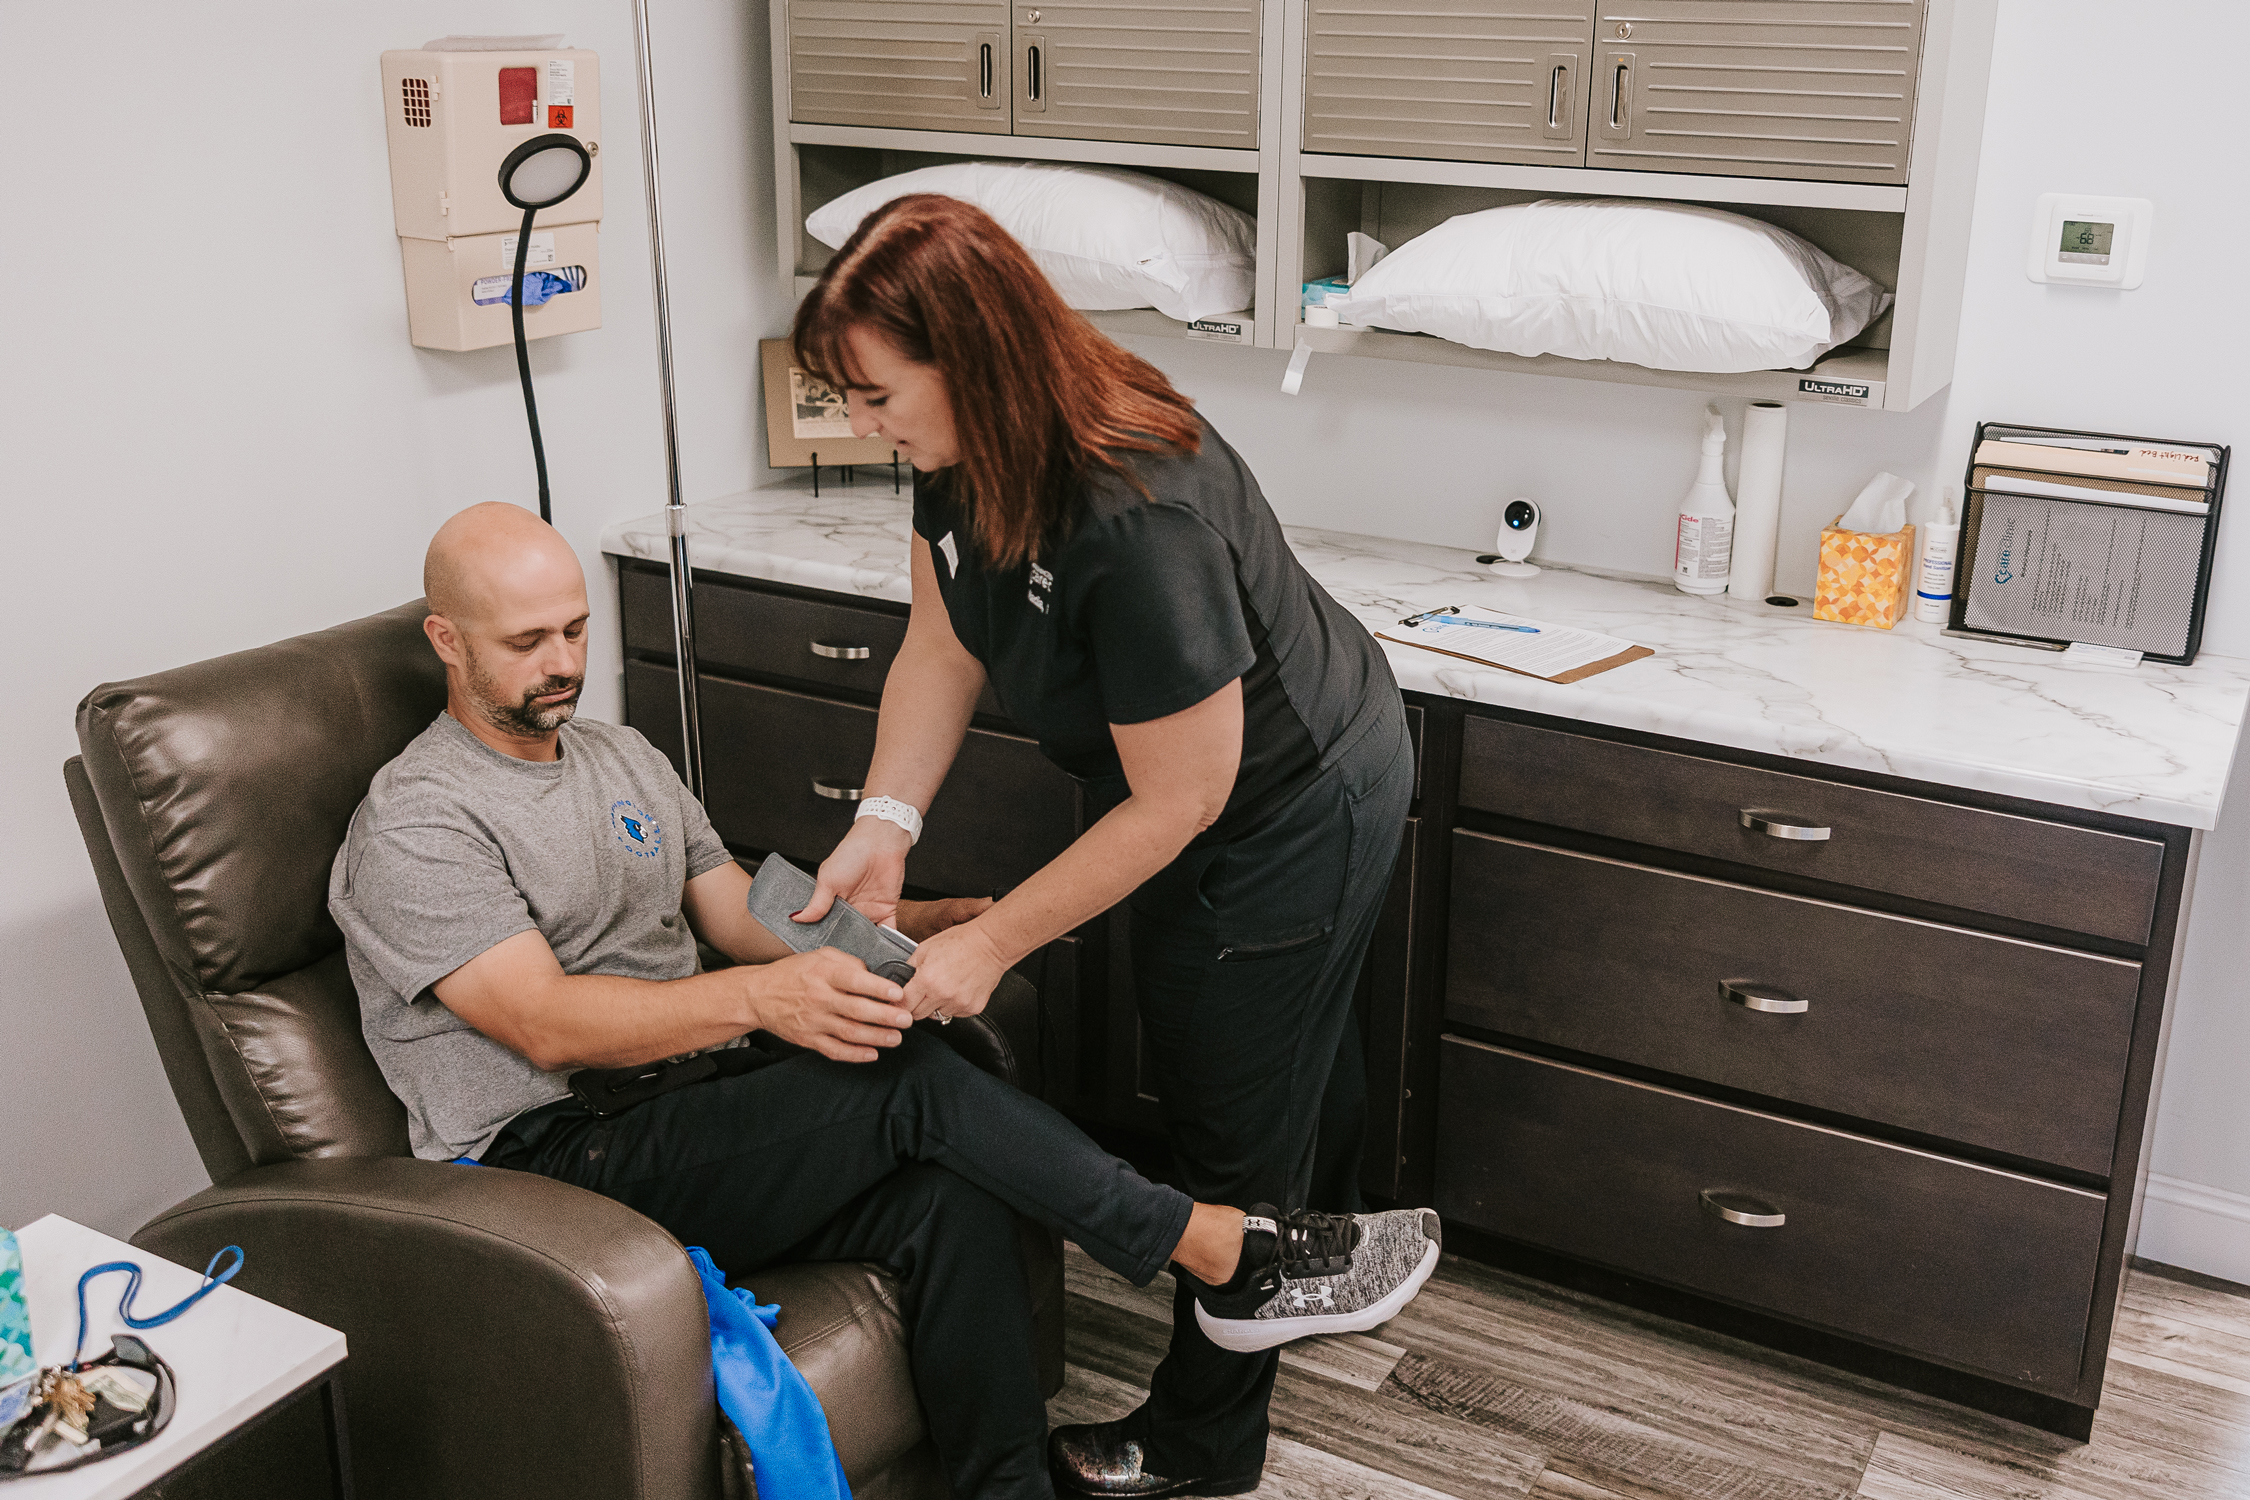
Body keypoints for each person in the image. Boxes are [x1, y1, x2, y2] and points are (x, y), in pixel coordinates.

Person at [328, 501, 1440, 1500]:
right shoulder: (419, 821)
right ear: (447, 640)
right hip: (551, 1162)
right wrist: (766, 1001)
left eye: (575, 630)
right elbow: (544, 1023)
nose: (564, 662)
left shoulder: (617, 756)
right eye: (528, 642)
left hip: (687, 1104)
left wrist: (915, 924)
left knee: (952, 1189)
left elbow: (736, 911)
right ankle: (1216, 1249)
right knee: (907, 1088)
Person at [790, 195, 1428, 1498]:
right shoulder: (966, 447)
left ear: (967, 360)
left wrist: (988, 941)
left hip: (1289, 800)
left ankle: (1205, 1441)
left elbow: (1182, 801)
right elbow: (942, 642)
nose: (859, 422)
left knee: (1229, 1099)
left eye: (874, 394)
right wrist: (884, 822)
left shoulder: (1135, 517)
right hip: (1196, 782)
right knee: (1282, 1050)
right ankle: (1332, 1253)